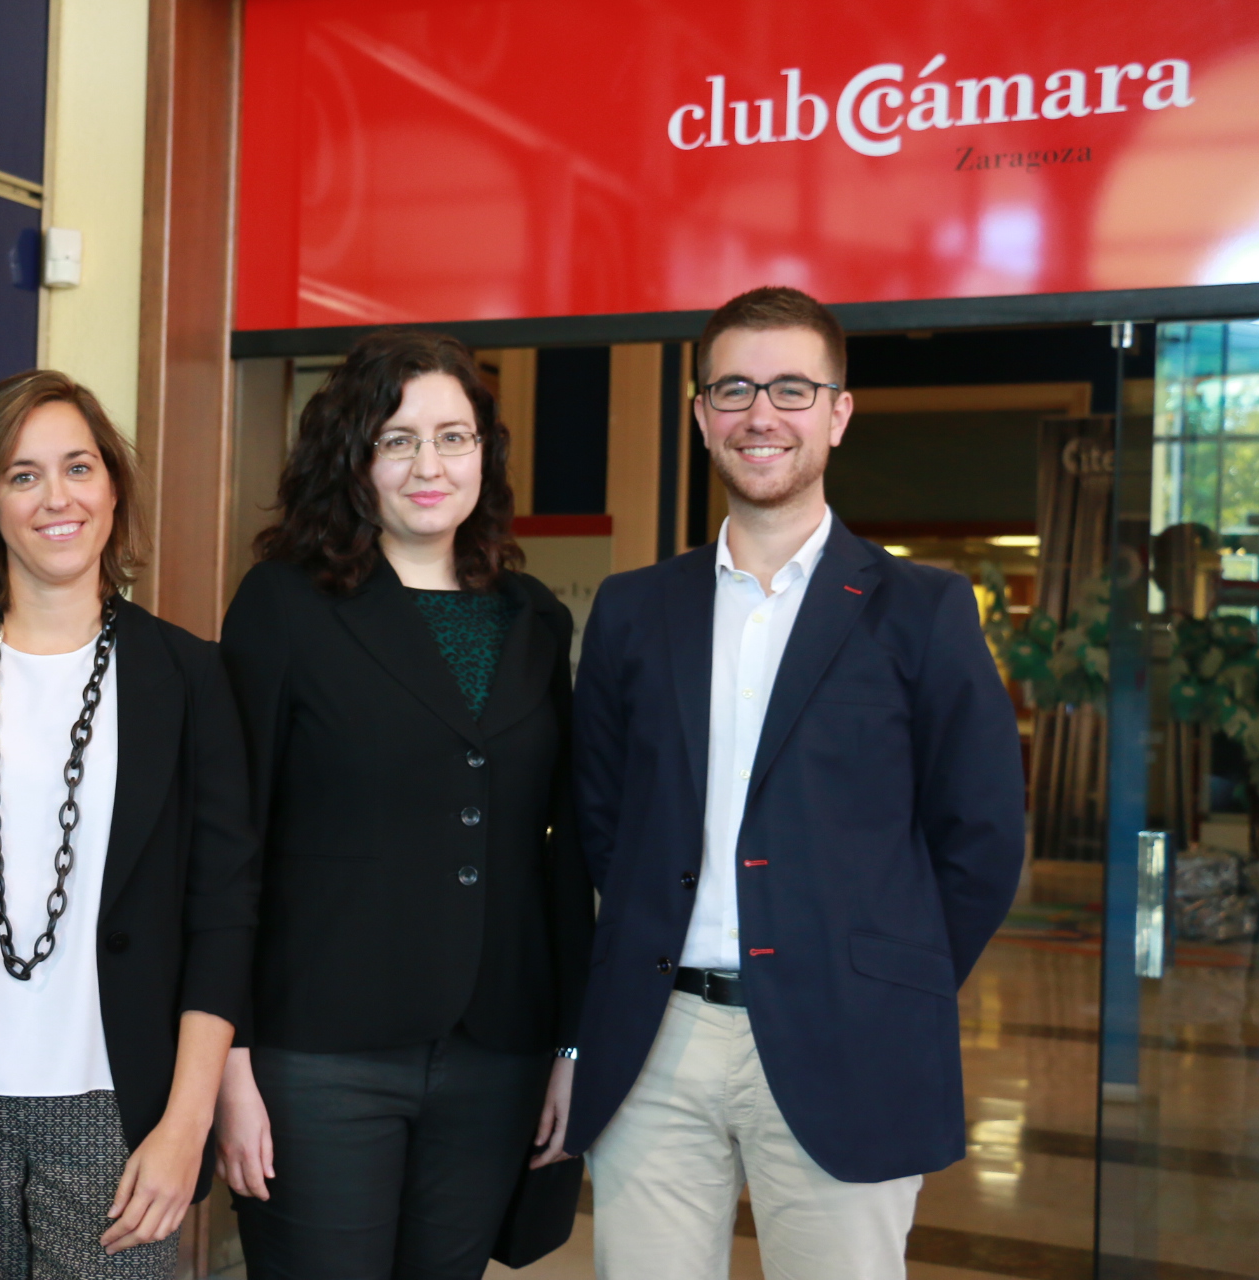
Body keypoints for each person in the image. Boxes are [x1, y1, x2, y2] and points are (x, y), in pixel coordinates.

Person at [567, 286, 1026, 1279]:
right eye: (733, 389)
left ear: (838, 413)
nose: (759, 414)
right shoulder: (634, 609)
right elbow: (603, 815)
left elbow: (981, 833)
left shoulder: (923, 609)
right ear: (699, 415)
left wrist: (883, 983)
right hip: (657, 1041)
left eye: (790, 388)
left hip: (851, 1038)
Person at [0, 370, 259, 1279]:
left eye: (79, 467)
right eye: (24, 475)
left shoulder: (190, 677)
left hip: (121, 1113)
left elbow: (224, 911)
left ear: (113, 486)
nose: (57, 498)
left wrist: (186, 1123)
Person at [216, 330, 594, 1280]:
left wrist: (571, 1046)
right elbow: (229, 844)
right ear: (353, 458)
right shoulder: (285, 607)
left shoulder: (535, 618)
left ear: (485, 455)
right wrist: (228, 1059)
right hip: (319, 1054)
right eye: (398, 441)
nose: (430, 465)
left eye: (454, 438)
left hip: (497, 1049)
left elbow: (561, 852)